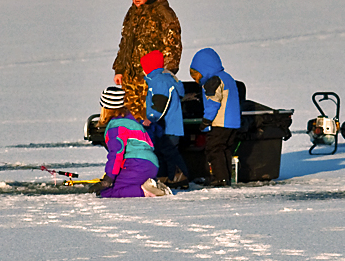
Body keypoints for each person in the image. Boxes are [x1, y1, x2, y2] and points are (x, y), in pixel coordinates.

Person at [112, 0, 182, 121]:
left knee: (150, 119)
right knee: (130, 118)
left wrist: (164, 75)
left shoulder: (163, 13)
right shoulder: (133, 12)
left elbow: (173, 47)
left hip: (151, 78)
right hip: (130, 78)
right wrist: (120, 69)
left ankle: (151, 143)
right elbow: (125, 42)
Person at [90, 87, 171, 198]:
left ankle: (145, 191)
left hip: (136, 164)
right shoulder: (132, 121)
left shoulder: (116, 127)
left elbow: (116, 153)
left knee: (107, 192)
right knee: (120, 185)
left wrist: (108, 178)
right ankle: (149, 185)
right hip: (151, 164)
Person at [189, 48, 242, 187]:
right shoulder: (227, 77)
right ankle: (226, 178)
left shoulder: (212, 81)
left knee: (214, 149)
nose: (197, 82)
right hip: (233, 123)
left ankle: (220, 179)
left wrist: (206, 120)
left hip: (221, 122)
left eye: (196, 77)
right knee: (224, 150)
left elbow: (213, 103)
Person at [141, 50, 189, 189]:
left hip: (167, 125)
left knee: (169, 152)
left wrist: (151, 117)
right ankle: (164, 177)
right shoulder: (165, 78)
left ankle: (180, 177)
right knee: (161, 151)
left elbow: (161, 101)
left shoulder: (159, 80)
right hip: (169, 125)